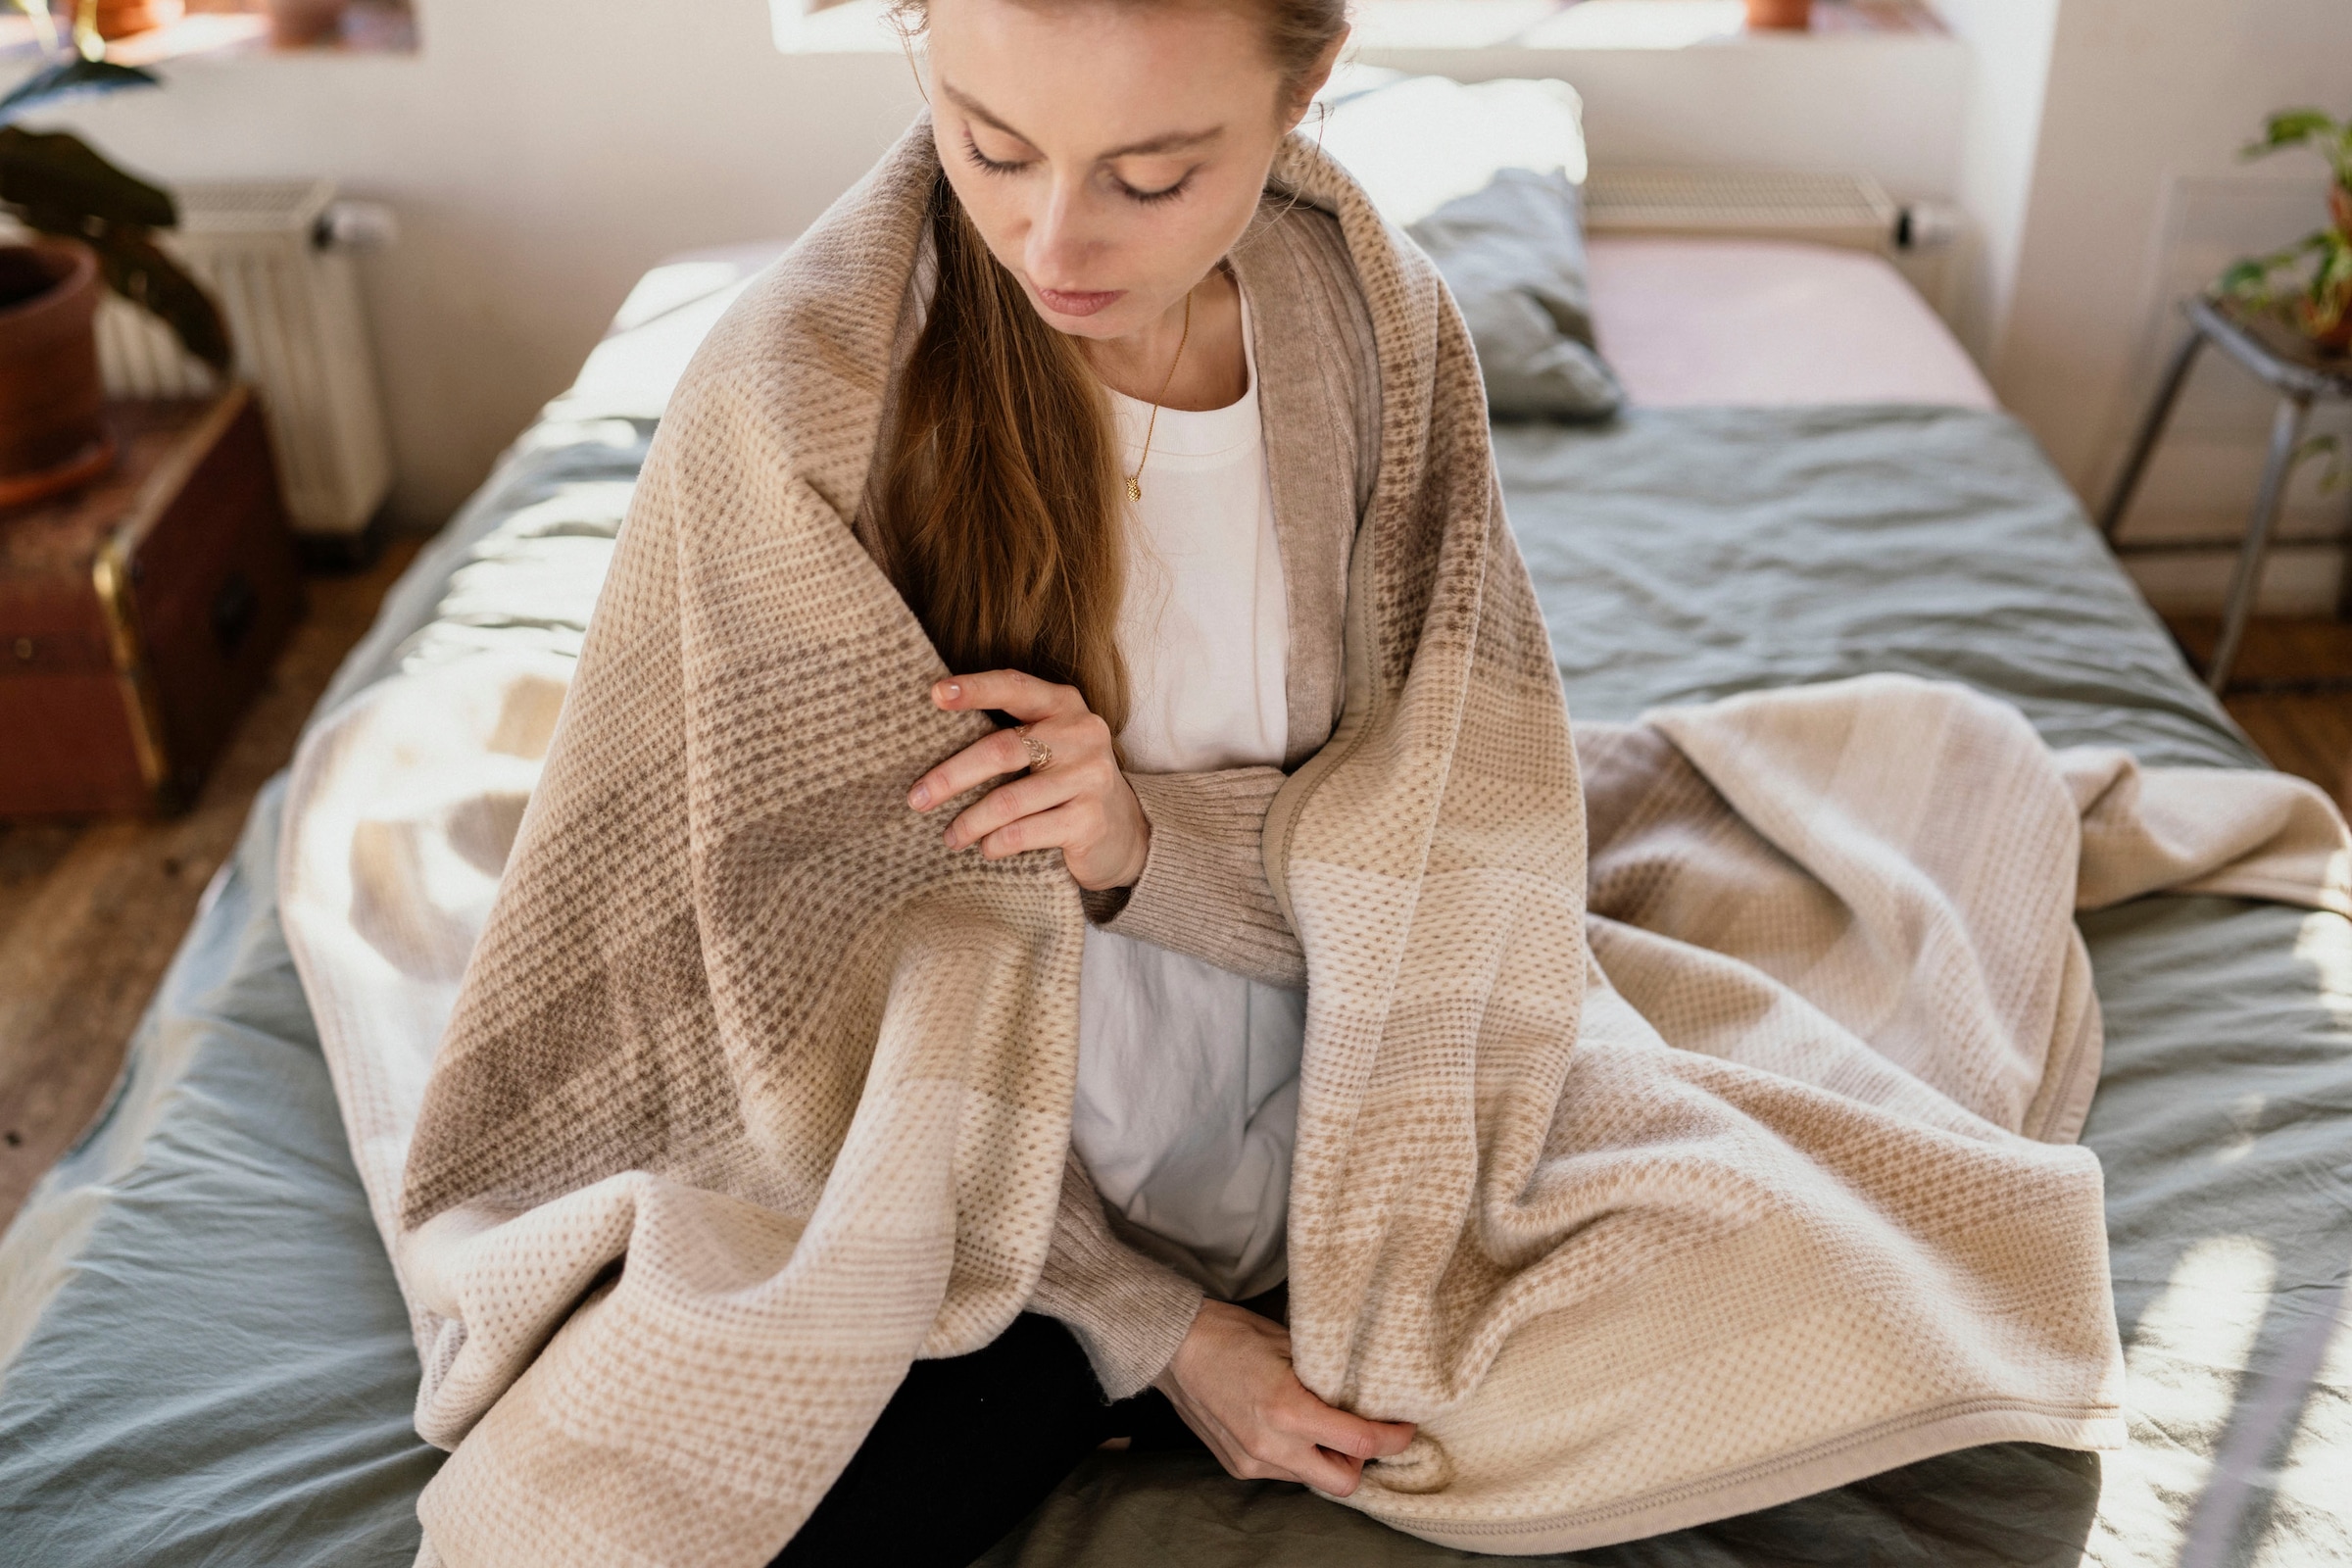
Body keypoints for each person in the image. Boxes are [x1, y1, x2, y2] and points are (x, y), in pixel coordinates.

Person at [771, 0, 1416, 1559]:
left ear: (1305, 87)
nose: (1052, 238)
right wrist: (1161, 1329)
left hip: (1341, 1144)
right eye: (993, 147)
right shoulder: (814, 384)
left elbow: (1450, 830)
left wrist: (1142, 840)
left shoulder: (1366, 324)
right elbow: (781, 971)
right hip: (977, 1198)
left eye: (1153, 176)